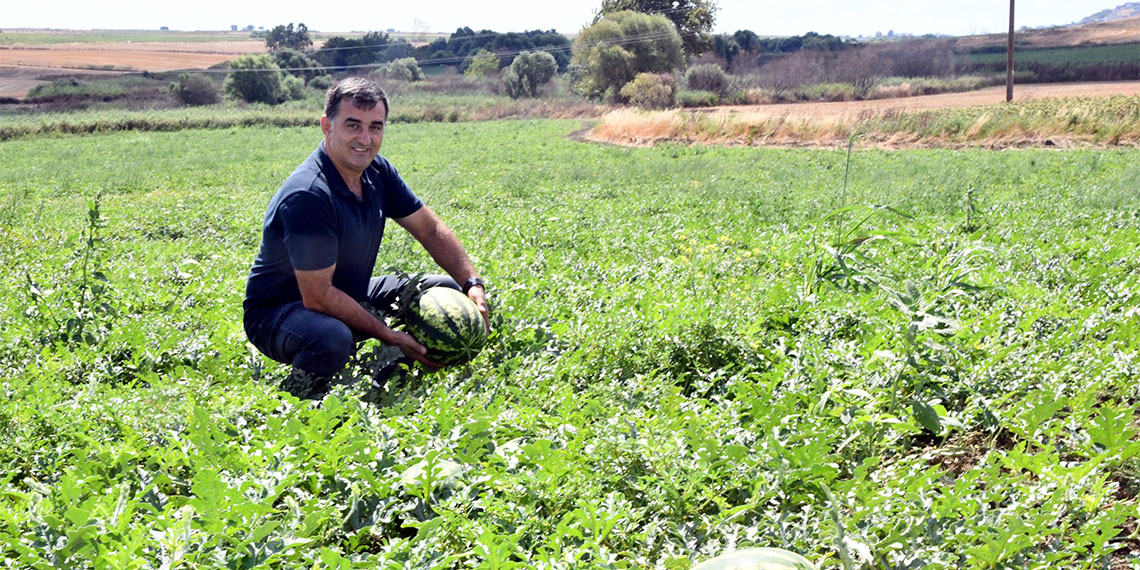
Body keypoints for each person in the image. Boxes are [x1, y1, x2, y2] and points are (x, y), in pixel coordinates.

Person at [243, 77, 489, 400]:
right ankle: (299, 397)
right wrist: (389, 335)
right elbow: (317, 297)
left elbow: (430, 229)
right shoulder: (309, 195)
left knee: (448, 290)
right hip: (279, 311)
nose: (365, 139)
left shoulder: (378, 173)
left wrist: (472, 283)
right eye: (353, 125)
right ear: (326, 126)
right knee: (331, 338)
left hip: (347, 290)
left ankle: (417, 357)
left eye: (376, 127)